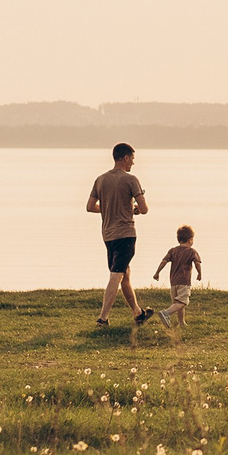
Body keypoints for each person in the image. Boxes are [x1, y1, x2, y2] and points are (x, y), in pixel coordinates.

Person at [87, 143, 149, 327]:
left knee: (124, 274)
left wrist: (108, 209)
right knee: (117, 274)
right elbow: (144, 209)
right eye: (132, 160)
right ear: (125, 158)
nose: (133, 164)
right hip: (126, 234)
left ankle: (138, 313)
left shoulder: (100, 180)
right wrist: (133, 210)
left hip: (108, 235)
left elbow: (90, 207)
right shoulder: (131, 180)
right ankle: (103, 318)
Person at [150, 226, 204, 335]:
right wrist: (199, 273)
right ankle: (166, 313)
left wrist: (157, 273)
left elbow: (164, 261)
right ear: (190, 240)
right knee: (183, 302)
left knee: (177, 303)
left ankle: (181, 322)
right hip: (184, 281)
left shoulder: (172, 250)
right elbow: (197, 263)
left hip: (173, 282)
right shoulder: (192, 251)